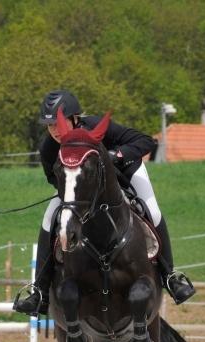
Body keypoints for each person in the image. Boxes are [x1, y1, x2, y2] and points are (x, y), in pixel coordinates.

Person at [14, 89, 195, 315]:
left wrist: (116, 156)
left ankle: (170, 276)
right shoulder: (48, 148)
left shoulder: (96, 126)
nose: (55, 131)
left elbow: (145, 141)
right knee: (49, 219)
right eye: (50, 126)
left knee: (152, 211)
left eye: (58, 123)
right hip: (82, 188)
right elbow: (54, 178)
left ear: (75, 118)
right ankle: (39, 292)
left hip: (126, 171)